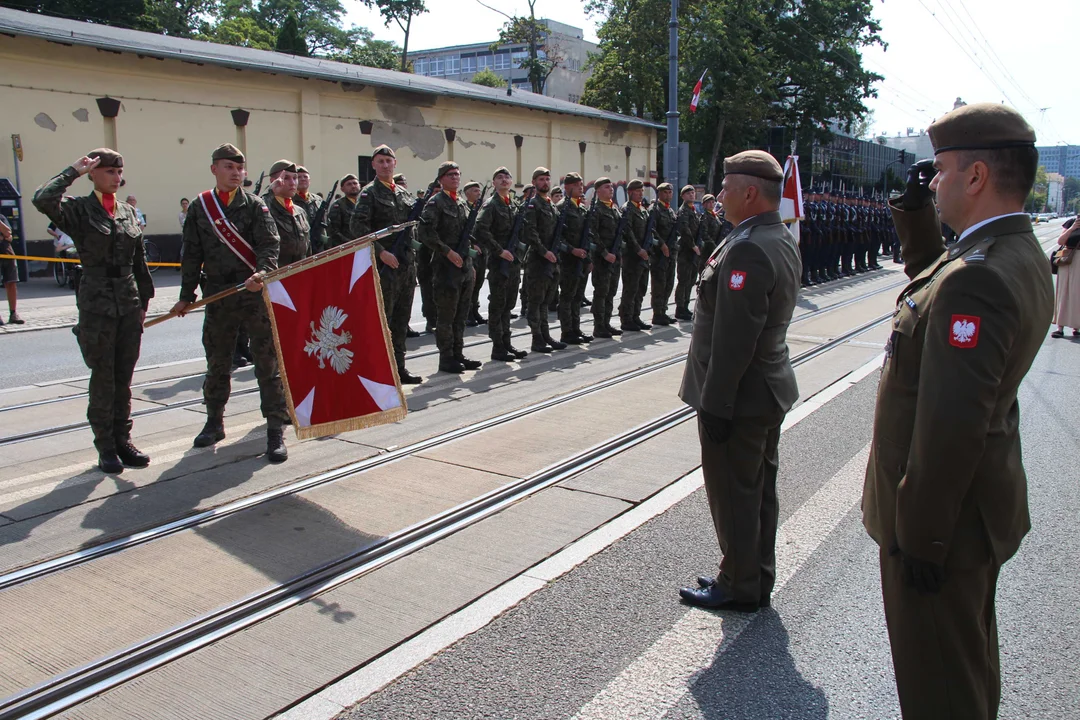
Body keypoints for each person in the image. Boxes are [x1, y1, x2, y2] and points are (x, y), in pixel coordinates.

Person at [862, 104, 1053, 720]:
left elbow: (951, 426)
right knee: (964, 668)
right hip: (974, 511)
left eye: (939, 171)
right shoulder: (1009, 251)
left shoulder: (979, 277)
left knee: (939, 687)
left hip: (941, 523)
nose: (932, 181)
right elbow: (933, 283)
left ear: (975, 177)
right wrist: (917, 213)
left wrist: (922, 538)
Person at [677, 149, 801, 612]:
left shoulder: (749, 246)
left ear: (750, 192)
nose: (719, 194)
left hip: (741, 395)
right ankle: (749, 572)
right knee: (756, 492)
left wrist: (716, 404)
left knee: (734, 494)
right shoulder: (772, 234)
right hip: (765, 388)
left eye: (727, 187)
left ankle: (740, 585)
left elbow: (734, 337)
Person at [32, 149, 155, 472]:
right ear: (93, 175)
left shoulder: (128, 212)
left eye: (119, 172)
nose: (116, 177)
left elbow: (138, 261)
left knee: (123, 377)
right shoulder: (78, 210)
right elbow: (43, 199)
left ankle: (123, 440)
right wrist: (73, 169)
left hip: (128, 303)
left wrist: (144, 302)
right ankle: (106, 447)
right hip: (97, 304)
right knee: (103, 377)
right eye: (109, 172)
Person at [172, 143, 289, 463]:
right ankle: (214, 421)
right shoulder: (201, 206)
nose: (236, 173)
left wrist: (263, 273)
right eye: (228, 167)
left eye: (240, 168)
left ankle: (275, 428)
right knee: (218, 361)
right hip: (218, 295)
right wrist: (186, 295)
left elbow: (270, 245)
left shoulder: (255, 206)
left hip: (253, 294)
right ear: (214, 169)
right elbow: (191, 253)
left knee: (267, 364)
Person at [350, 145, 423, 384]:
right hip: (384, 266)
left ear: (395, 164)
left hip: (405, 265)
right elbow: (358, 228)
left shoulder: (403, 193)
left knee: (401, 321)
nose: (385, 165)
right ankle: (377, 369)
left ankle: (398, 368)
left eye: (388, 161)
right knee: (382, 321)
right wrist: (380, 252)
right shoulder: (368, 193)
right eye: (380, 161)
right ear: (373, 165)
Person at [418, 161, 482, 373]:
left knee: (461, 314)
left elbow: (465, 233)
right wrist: (447, 251)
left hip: (464, 267)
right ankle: (446, 358)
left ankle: (458, 353)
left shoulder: (462, 203)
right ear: (441, 179)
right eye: (450, 174)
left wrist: (470, 259)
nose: (455, 177)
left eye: (457, 174)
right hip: (445, 268)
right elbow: (426, 233)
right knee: (446, 316)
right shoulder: (435, 203)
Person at [474, 166, 528, 361]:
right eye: (500, 177)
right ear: (494, 182)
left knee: (508, 305)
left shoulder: (512, 205)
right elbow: (481, 229)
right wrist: (499, 250)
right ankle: (497, 347)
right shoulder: (491, 204)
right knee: (498, 305)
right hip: (499, 263)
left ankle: (506, 342)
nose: (504, 180)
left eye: (507, 177)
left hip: (513, 263)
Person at [521, 167, 567, 353]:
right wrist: (543, 251)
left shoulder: (550, 205)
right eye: (541, 179)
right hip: (538, 260)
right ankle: (537, 338)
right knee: (536, 301)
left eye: (547, 179)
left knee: (546, 301)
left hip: (552, 260)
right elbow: (530, 232)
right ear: (534, 182)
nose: (545, 182)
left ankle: (545, 335)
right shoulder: (533, 205)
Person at [555, 172, 594, 344]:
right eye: (577, 184)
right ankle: (567, 331)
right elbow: (558, 238)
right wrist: (572, 250)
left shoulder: (581, 207)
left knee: (578, 296)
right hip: (567, 260)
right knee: (567, 296)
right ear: (568, 187)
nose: (581, 187)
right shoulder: (562, 207)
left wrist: (588, 258)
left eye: (581, 184)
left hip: (581, 259)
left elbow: (588, 235)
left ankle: (576, 328)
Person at [588, 177, 622, 339]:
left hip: (615, 257)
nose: (611, 189)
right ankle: (599, 325)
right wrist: (604, 253)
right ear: (598, 191)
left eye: (611, 187)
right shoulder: (596, 210)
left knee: (611, 292)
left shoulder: (614, 209)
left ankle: (606, 322)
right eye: (607, 187)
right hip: (602, 258)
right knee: (601, 292)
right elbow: (593, 234)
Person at [617, 179, 651, 332]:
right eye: (638, 191)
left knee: (641, 288)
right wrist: (638, 250)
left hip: (643, 255)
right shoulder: (627, 209)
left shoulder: (642, 209)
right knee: (630, 288)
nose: (640, 193)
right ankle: (626, 318)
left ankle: (635, 316)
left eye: (642, 191)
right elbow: (628, 232)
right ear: (630, 192)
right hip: (632, 256)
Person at [263, 160, 311, 265]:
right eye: (286, 178)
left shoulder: (300, 211)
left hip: (300, 271)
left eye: (295, 178)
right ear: (273, 181)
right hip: (277, 273)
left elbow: (307, 248)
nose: (293, 183)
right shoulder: (266, 207)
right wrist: (270, 191)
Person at [648, 182, 678, 326]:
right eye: (665, 192)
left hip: (671, 253)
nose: (668, 195)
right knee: (659, 283)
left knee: (669, 282)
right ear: (659, 194)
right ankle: (657, 313)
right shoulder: (655, 210)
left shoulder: (670, 211)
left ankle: (663, 310)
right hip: (659, 254)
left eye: (670, 192)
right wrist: (662, 244)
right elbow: (651, 230)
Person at [463, 180, 488, 327]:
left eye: (478, 191)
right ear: (467, 194)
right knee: (470, 284)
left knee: (478, 283)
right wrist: (472, 245)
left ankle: (475, 310)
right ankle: (468, 313)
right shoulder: (464, 208)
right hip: (470, 251)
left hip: (482, 251)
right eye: (474, 191)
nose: (478, 193)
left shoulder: (482, 209)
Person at [674, 184, 701, 320]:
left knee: (691, 279)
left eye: (693, 193)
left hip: (693, 251)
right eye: (689, 193)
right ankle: (680, 308)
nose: (692, 195)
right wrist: (693, 245)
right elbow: (685, 230)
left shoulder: (693, 211)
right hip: (686, 250)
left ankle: (685, 305)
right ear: (683, 196)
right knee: (684, 279)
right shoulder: (684, 211)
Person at [1051, 218, 1080, 338]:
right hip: (1067, 259)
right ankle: (1060, 327)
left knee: (1077, 293)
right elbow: (1060, 241)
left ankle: (1076, 327)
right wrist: (1073, 228)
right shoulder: (1071, 222)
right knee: (1063, 291)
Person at [293, 166, 326, 252]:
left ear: (309, 181)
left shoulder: (318, 199)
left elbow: (326, 222)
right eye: (299, 177)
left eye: (305, 177)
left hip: (319, 246)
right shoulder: (290, 200)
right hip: (300, 247)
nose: (303, 179)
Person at [0, 215, 25, 325]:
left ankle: (13, 313)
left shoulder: (1, 217)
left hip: (7, 252)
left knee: (11, 283)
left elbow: (8, 233)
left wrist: (5, 235)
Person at [326, 174, 360, 248]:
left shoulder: (365, 202)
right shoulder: (338, 206)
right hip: (348, 247)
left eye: (355, 183)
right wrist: (351, 244)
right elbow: (334, 232)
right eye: (349, 184)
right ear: (342, 189)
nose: (353, 186)